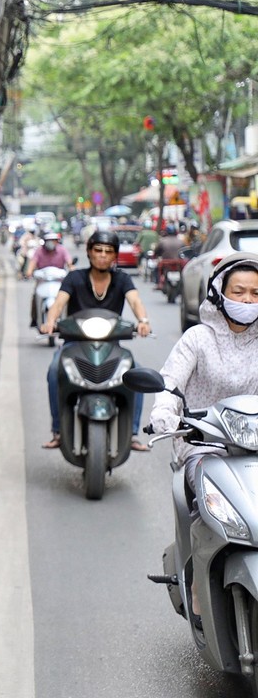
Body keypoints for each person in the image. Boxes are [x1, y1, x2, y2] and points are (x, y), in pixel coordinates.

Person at [147, 252, 258, 625]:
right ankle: (198, 577)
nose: (246, 300)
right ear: (218, 293)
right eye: (238, 291)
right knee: (209, 506)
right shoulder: (198, 338)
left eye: (255, 293)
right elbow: (169, 382)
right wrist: (165, 413)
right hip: (203, 442)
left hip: (253, 445)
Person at [39, 230, 152, 450]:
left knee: (136, 373)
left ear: (114, 256)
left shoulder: (122, 279)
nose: (102, 255)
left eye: (108, 251)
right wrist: (50, 321)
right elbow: (59, 303)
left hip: (111, 346)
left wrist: (143, 320)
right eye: (98, 250)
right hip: (75, 344)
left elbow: (135, 300)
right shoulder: (74, 278)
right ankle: (58, 431)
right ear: (89, 252)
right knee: (54, 371)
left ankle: (132, 434)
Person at [25, 232, 72, 328]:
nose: (51, 243)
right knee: (35, 297)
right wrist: (29, 271)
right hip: (43, 281)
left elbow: (69, 263)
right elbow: (33, 262)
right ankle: (35, 318)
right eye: (49, 241)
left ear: (57, 241)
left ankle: (69, 319)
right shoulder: (39, 251)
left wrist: (72, 269)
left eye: (53, 240)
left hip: (58, 281)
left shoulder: (62, 250)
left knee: (68, 297)